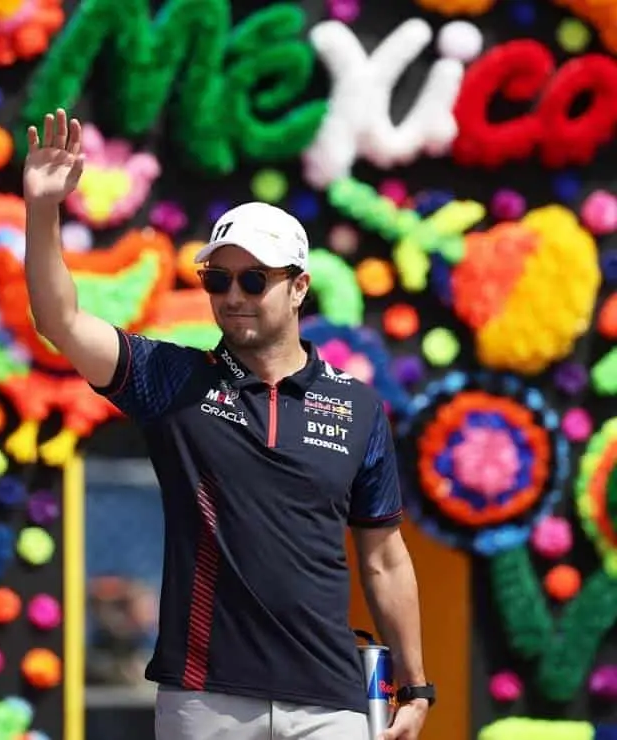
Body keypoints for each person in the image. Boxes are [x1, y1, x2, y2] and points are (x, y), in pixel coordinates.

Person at [21, 109, 433, 740]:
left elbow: (384, 560)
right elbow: (62, 322)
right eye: (218, 279)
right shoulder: (173, 378)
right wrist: (43, 209)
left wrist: (416, 685)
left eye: (253, 279)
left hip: (331, 700)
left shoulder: (358, 407)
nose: (233, 295)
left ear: (298, 287)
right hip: (204, 698)